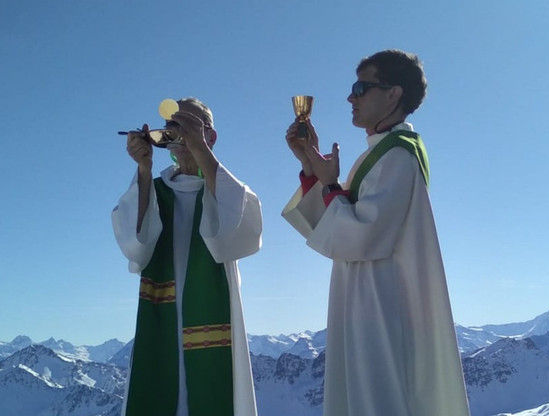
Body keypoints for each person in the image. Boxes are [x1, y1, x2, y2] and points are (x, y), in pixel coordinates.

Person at [281, 50, 471, 416]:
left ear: (393, 94)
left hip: (381, 305)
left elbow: (363, 236)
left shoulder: (398, 155)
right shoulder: (381, 153)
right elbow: (345, 224)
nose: (351, 97)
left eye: (361, 88)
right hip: (365, 298)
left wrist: (329, 181)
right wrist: (310, 166)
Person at [112, 98, 262, 416]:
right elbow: (135, 248)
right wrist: (143, 169)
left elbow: (239, 239)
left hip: (213, 317)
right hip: (161, 324)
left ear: (211, 136)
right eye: (172, 127)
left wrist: (202, 154)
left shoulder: (226, 191)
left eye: (189, 126)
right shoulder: (153, 189)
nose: (179, 133)